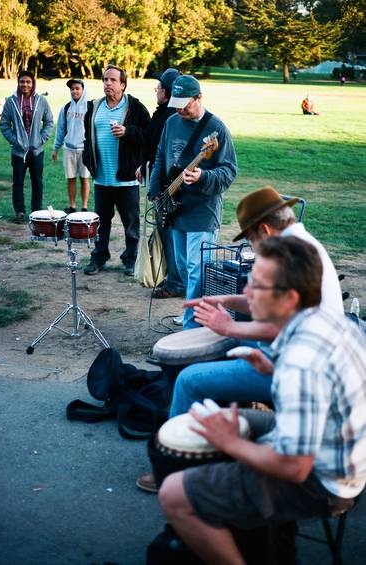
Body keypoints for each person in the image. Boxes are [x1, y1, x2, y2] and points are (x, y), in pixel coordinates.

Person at [159, 236, 366, 565]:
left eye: (257, 286)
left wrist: (230, 442)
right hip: (339, 452)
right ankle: (239, 520)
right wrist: (273, 368)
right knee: (214, 423)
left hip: (323, 481)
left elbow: (295, 468)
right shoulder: (330, 323)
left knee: (173, 494)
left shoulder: (302, 360)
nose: (247, 292)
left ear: (290, 298)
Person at [136, 185, 344, 493]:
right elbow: (273, 310)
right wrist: (229, 303)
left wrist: (228, 328)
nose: (250, 245)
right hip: (293, 356)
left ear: (264, 229)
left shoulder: (290, 256)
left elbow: (282, 329)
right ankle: (208, 444)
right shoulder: (298, 244)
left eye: (249, 238)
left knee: (190, 380)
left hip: (294, 370)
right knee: (217, 354)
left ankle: (171, 470)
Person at [149, 75, 237, 327]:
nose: (180, 109)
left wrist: (203, 176)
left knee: (198, 270)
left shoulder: (216, 129)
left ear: (199, 97)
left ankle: (191, 327)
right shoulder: (172, 122)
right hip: (175, 208)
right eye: (176, 103)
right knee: (184, 267)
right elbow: (161, 156)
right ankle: (195, 314)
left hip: (202, 212)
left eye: (185, 104)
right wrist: (156, 189)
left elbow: (229, 171)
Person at [83, 64, 150, 277]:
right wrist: (88, 160)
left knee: (131, 224)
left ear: (123, 84)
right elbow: (88, 139)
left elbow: (149, 136)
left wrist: (128, 131)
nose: (108, 84)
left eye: (112, 80)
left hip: (126, 180)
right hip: (101, 179)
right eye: (105, 80)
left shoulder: (135, 107)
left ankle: (130, 260)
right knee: (100, 223)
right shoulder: (94, 107)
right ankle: (99, 257)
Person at [135, 68, 185, 299]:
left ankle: (175, 281)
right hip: (160, 180)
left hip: (168, 186)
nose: (157, 91)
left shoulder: (170, 117)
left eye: (159, 88)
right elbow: (153, 148)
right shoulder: (165, 114)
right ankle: (173, 276)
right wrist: (144, 165)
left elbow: (163, 153)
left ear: (166, 92)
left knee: (169, 233)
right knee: (167, 233)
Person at [0, 70, 54, 224]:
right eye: (22, 81)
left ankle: (36, 211)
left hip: (36, 150)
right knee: (18, 181)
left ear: (33, 83)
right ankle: (19, 212)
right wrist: (14, 140)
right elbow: (4, 124)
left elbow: (49, 121)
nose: (25, 84)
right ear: (18, 83)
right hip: (18, 151)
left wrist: (42, 139)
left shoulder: (41, 101)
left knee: (37, 181)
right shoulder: (11, 102)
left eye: (28, 82)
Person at [52, 78, 90, 213]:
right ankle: (72, 206)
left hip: (84, 149)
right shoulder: (66, 107)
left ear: (83, 90)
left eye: (77, 88)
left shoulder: (89, 107)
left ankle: (84, 207)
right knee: (71, 178)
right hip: (68, 148)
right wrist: (55, 148)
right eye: (72, 89)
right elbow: (60, 129)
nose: (74, 91)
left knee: (85, 178)